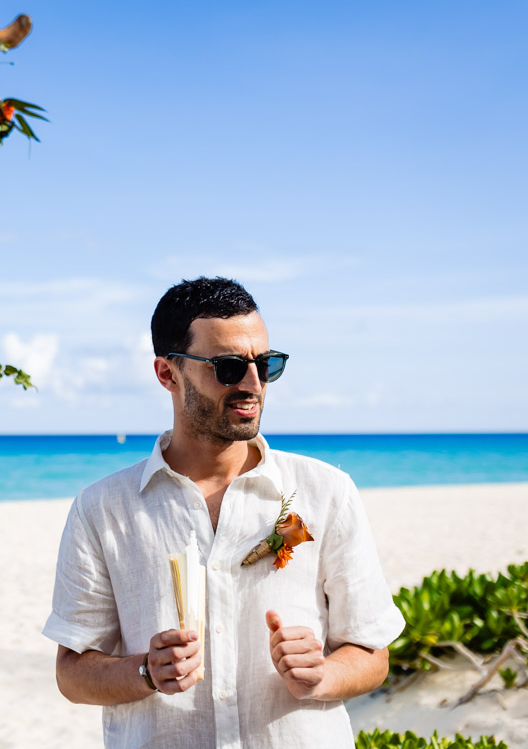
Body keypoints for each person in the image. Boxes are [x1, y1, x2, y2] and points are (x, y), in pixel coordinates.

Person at [43, 277, 404, 748]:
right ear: (168, 374)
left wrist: (324, 673)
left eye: (266, 364)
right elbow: (72, 673)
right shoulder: (102, 509)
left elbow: (373, 654)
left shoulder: (327, 492)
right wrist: (145, 672)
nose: (253, 384)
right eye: (229, 367)